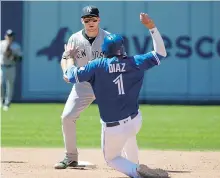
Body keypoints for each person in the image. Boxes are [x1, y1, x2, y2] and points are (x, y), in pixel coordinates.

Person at [64, 13, 169, 178]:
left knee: (111, 158)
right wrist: (152, 28)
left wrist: (69, 57)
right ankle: (137, 166)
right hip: (135, 120)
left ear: (104, 49)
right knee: (129, 135)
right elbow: (161, 53)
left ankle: (136, 172)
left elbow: (71, 76)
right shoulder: (135, 62)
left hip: (113, 127)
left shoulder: (98, 65)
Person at [54, 5, 110, 169]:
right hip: (82, 86)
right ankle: (71, 157)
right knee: (67, 117)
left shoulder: (108, 39)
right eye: (87, 20)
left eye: (93, 19)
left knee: (117, 120)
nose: (90, 22)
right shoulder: (75, 38)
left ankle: (123, 157)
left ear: (99, 20)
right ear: (82, 21)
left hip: (105, 85)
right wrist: (65, 71)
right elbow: (65, 58)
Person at [0, 29, 22, 111]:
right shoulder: (1, 44)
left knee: (10, 85)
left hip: (11, 66)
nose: (9, 37)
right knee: (0, 83)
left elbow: (20, 58)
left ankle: (7, 102)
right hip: (2, 66)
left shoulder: (16, 46)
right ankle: (1, 100)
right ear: (5, 36)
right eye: (8, 36)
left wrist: (13, 56)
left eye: (11, 36)